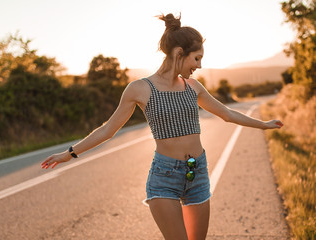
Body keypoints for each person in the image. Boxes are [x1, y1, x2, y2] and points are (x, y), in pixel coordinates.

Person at [41, 13, 283, 240]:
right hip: (164, 177)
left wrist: (262, 124)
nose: (198, 65)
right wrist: (69, 153)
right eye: (196, 58)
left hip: (197, 172)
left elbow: (227, 113)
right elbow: (107, 130)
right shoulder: (140, 89)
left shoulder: (193, 87)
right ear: (179, 53)